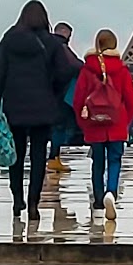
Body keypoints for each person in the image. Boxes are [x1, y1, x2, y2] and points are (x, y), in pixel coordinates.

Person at [0, 0, 80, 223]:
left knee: (16, 154)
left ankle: (17, 199)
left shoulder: (9, 39)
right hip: (42, 105)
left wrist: (6, 91)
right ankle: (33, 203)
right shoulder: (50, 43)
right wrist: (53, 92)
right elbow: (65, 71)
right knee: (38, 155)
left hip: (15, 105)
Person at [75, 29, 133, 221]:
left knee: (97, 162)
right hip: (116, 125)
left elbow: (78, 100)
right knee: (115, 161)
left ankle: (98, 198)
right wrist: (124, 122)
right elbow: (132, 101)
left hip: (94, 126)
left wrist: (84, 124)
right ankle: (111, 191)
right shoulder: (122, 70)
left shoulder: (87, 69)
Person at [47, 23, 83, 172]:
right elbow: (75, 65)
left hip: (46, 91)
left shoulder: (47, 45)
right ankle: (54, 158)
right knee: (59, 126)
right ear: (65, 33)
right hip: (60, 92)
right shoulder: (62, 47)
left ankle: (52, 157)